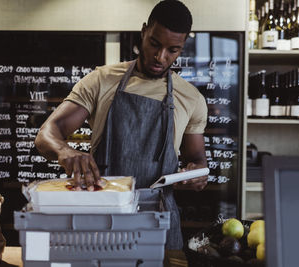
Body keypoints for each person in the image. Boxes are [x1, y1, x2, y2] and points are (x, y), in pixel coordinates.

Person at [35, 0, 208, 249]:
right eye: (155, 44)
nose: (161, 57)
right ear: (143, 31)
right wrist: (65, 152)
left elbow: (198, 160)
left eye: (173, 50)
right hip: (102, 216)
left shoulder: (191, 98)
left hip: (159, 221)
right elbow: (45, 135)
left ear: (183, 47)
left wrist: (197, 176)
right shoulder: (101, 81)